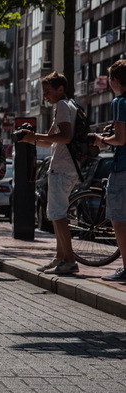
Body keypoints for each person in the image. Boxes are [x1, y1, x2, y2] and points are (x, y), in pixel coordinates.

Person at [18, 72, 79, 275]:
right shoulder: (69, 105)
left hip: (61, 168)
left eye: (48, 91)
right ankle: (61, 257)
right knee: (55, 214)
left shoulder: (62, 106)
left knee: (58, 216)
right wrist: (30, 139)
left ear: (60, 88)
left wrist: (35, 136)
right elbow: (50, 139)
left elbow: (66, 137)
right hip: (67, 168)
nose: (46, 96)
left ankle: (69, 261)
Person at [92, 60, 126, 281]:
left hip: (122, 168)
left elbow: (121, 140)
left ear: (114, 80)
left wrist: (101, 139)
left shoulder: (119, 102)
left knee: (119, 220)